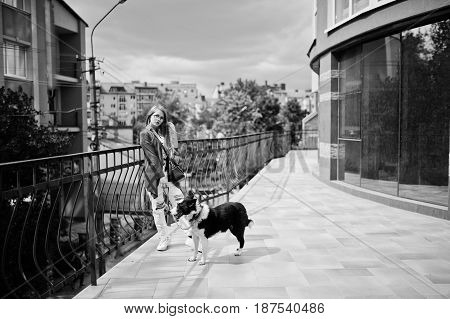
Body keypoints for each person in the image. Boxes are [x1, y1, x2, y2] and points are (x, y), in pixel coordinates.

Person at [140, 104, 184, 251]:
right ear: (150, 116)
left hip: (169, 174)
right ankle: (164, 238)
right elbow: (152, 158)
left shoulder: (164, 131)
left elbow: (174, 147)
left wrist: (170, 126)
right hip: (154, 176)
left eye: (161, 117)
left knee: (179, 202)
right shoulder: (145, 134)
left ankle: (190, 234)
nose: (158, 119)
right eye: (156, 115)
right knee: (158, 209)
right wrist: (162, 177)